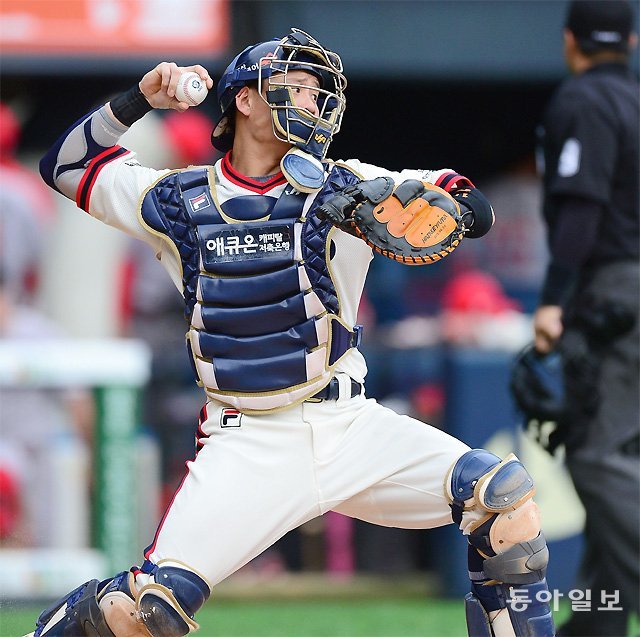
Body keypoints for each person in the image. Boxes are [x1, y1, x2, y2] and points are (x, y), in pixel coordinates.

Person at [31, 29, 554, 637]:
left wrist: (448, 204)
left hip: (350, 426)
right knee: (143, 613)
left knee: (505, 502)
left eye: (319, 91)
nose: (313, 101)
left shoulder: (345, 183)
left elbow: (462, 198)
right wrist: (140, 99)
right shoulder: (176, 199)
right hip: (247, 440)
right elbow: (65, 165)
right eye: (297, 86)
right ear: (246, 100)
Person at [533, 2, 639, 635]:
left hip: (614, 291)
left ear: (571, 41)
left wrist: (553, 297)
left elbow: (581, 211)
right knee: (623, 452)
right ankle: (596, 627)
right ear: (630, 40)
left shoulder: (585, 101)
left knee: (600, 457)